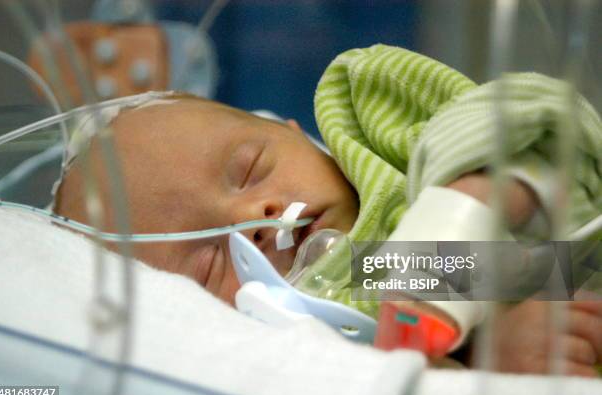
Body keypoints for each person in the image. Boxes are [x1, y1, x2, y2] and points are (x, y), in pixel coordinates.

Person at [53, 94, 602, 377]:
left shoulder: (380, 130)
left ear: (296, 132)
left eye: (249, 167)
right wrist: (486, 354)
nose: (256, 217)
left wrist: (475, 188)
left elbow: (539, 110)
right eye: (209, 262)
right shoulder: (318, 310)